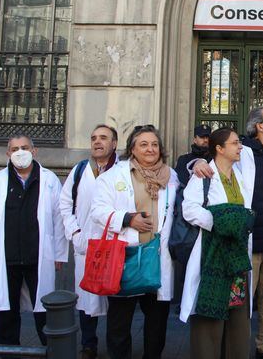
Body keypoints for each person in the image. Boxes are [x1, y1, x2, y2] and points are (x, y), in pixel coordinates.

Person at [192, 107, 263, 359]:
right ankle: (234, 348)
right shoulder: (242, 151)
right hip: (248, 241)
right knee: (241, 302)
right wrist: (196, 162)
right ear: (259, 126)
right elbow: (214, 161)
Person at [90, 125, 178, 359]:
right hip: (125, 258)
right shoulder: (113, 176)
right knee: (119, 323)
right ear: (132, 149)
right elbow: (97, 211)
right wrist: (128, 219)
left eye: (155, 144)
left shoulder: (171, 177)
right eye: (144, 144)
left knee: (157, 322)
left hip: (157, 259)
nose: (150, 149)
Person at [0, 134, 67, 346]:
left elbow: (59, 218)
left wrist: (59, 253)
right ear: (8, 154)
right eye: (14, 149)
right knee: (7, 310)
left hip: (38, 256)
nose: (20, 152)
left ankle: (50, 348)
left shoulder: (49, 179)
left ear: (34, 151)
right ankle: (7, 349)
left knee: (43, 308)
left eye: (24, 147)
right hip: (7, 257)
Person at [180, 128, 255, 359]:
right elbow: (189, 209)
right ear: (220, 149)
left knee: (237, 316)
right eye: (234, 143)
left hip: (237, 259)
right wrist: (221, 222)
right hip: (212, 257)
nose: (240, 147)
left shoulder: (239, 175)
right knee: (209, 322)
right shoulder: (203, 174)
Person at [59, 124, 118, 359]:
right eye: (94, 138)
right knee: (86, 298)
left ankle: (115, 345)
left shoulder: (122, 170)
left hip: (114, 245)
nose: (97, 142)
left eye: (103, 138)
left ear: (114, 144)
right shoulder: (80, 169)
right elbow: (65, 204)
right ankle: (88, 344)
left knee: (115, 298)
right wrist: (74, 233)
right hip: (86, 244)